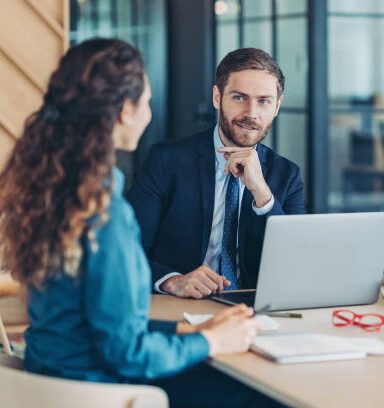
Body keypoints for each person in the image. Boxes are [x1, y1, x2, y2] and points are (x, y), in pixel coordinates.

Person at [0, 38, 278, 407]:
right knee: (263, 394)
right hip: (105, 390)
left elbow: (98, 323)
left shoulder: (55, 192)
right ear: (124, 112)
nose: (149, 112)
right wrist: (211, 342)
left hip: (47, 381)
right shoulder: (103, 213)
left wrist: (188, 330)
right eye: (146, 101)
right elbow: (125, 352)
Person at [127, 48, 305, 298]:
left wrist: (262, 194)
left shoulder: (287, 175)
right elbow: (127, 250)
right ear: (217, 97)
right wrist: (172, 281)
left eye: (263, 101)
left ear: (277, 106)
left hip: (256, 311)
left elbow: (296, 263)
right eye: (239, 98)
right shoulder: (165, 161)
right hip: (183, 305)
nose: (251, 113)